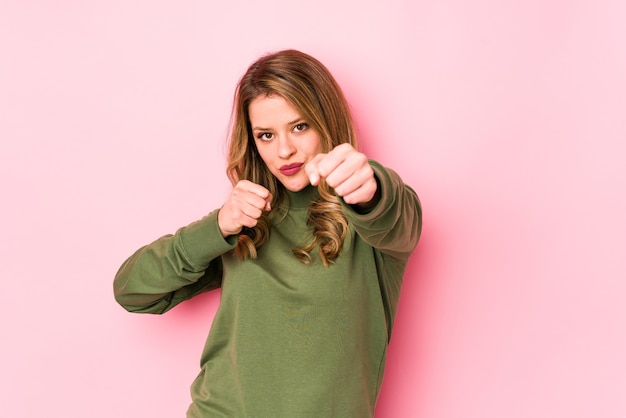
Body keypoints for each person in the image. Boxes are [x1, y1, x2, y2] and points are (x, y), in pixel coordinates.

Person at [113, 48, 422, 417]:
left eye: (300, 126)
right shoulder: (244, 221)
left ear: (327, 121)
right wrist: (216, 228)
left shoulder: (371, 213)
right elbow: (132, 291)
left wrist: (370, 188)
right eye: (266, 135)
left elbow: (397, 217)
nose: (285, 150)